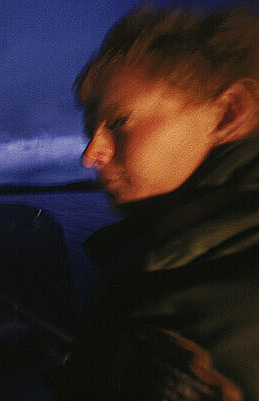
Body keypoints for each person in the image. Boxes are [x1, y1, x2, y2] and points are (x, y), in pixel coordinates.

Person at [53, 6, 259, 400]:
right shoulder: (170, 254)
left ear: (227, 114)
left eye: (117, 122)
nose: (90, 154)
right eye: (91, 130)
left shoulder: (226, 295)